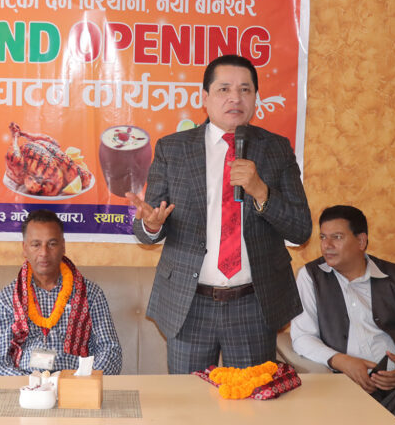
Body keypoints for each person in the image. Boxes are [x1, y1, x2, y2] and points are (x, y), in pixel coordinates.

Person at [127, 54, 311, 373]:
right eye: (224, 89)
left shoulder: (276, 149)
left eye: (245, 90)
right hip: (189, 303)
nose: (235, 98)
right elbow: (148, 226)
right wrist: (151, 224)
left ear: (255, 98)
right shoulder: (173, 148)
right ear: (205, 98)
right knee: (188, 401)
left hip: (253, 304)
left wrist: (261, 191)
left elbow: (300, 229)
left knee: (252, 399)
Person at [291, 205, 395, 425]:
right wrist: (342, 361)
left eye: (337, 237)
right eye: (323, 237)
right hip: (348, 380)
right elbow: (302, 336)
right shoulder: (310, 277)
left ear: (361, 241)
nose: (327, 245)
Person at [0, 210, 122, 375]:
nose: (44, 252)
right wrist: (32, 385)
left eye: (52, 244)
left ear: (63, 246)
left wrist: (84, 380)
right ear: (25, 248)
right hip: (26, 384)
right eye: (36, 245)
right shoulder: (7, 299)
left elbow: (110, 350)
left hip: (76, 383)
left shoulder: (91, 294)